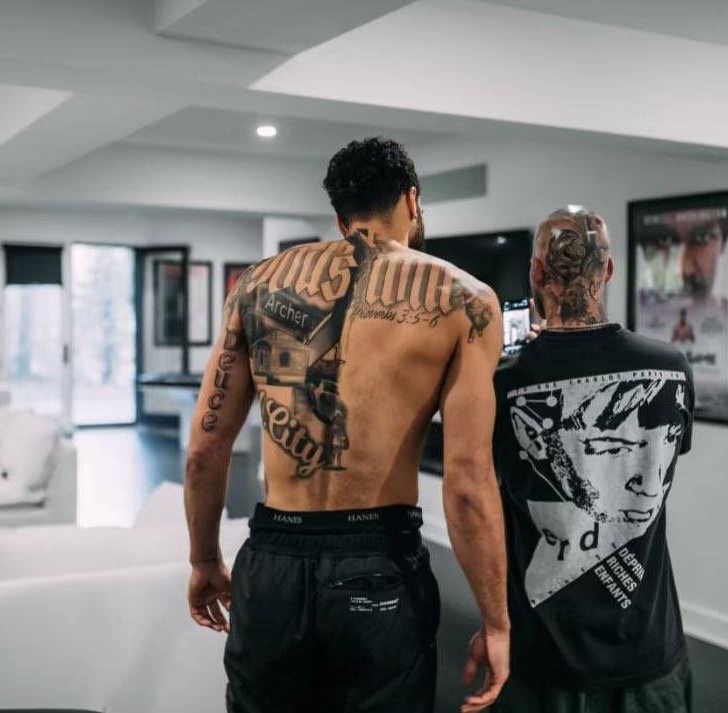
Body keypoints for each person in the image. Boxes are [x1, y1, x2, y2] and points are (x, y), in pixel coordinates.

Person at [183, 137, 511, 713]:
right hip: (378, 561)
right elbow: (466, 481)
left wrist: (205, 560)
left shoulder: (254, 287)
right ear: (412, 200)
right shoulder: (467, 302)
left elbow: (204, 450)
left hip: (274, 558)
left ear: (340, 216)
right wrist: (496, 621)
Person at [491, 208, 695, 712]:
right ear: (607, 271)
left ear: (536, 275)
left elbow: (482, 503)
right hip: (649, 653)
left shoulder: (504, 384)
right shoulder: (671, 368)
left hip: (542, 656)